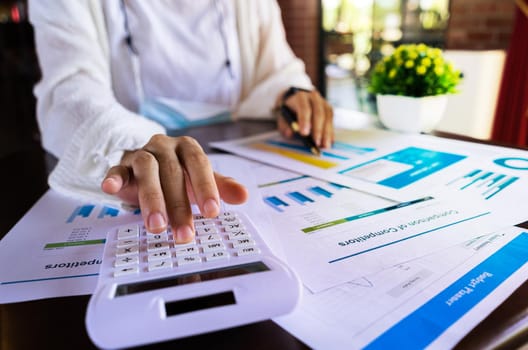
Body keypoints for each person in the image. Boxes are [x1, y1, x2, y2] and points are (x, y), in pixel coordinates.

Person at [29, 1, 334, 243]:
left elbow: (278, 67)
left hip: (237, 146)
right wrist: (126, 145)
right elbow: (68, 90)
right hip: (140, 149)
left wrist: (293, 92)